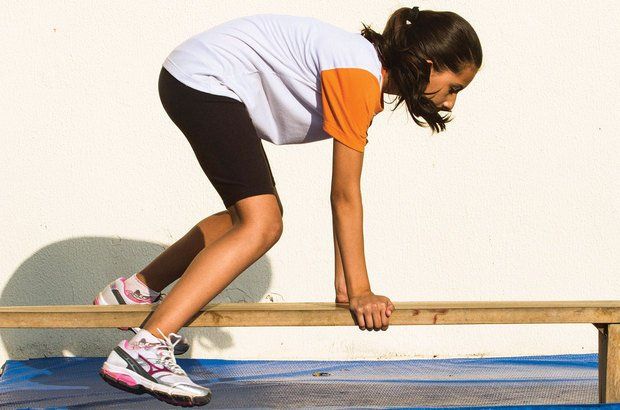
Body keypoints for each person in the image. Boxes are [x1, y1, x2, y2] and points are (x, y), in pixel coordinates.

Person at [95, 6, 482, 407]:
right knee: (263, 224)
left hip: (193, 77)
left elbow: (342, 198)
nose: (449, 103)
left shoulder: (360, 69)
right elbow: (344, 195)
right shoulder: (357, 75)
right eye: (453, 87)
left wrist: (346, 288)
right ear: (429, 64)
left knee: (248, 219)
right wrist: (362, 290)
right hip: (202, 80)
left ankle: (135, 291)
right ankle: (144, 349)